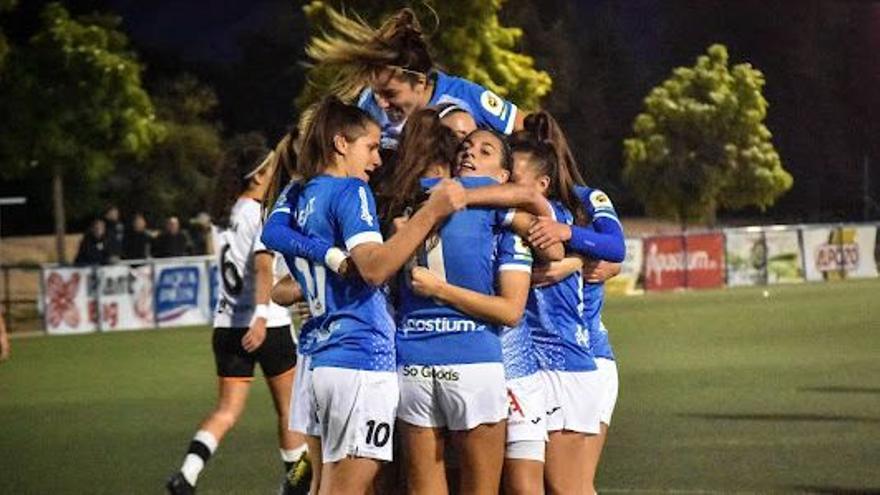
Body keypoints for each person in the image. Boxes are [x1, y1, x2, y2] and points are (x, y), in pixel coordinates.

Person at [281, 96, 464, 494]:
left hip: (320, 360)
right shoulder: (350, 191)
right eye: (370, 148)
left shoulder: (300, 195)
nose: (378, 161)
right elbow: (373, 267)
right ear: (340, 143)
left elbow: (285, 258)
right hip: (359, 358)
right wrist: (428, 214)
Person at [166, 139, 303, 495]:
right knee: (289, 409)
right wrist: (259, 316)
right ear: (258, 175)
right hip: (266, 324)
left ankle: (187, 474)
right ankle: (294, 483)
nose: (275, 171)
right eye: (270, 167)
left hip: (227, 325)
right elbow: (262, 268)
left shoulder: (222, 218)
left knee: (226, 411)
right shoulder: (259, 213)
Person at [521, 112, 625, 494]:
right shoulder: (514, 211)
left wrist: (571, 245)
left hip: (586, 358)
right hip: (539, 361)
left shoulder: (584, 201)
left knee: (571, 485)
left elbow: (616, 248)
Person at [306, 7, 526, 152]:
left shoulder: (466, 96)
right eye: (376, 92)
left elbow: (528, 127)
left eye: (390, 94)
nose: (381, 102)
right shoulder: (367, 104)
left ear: (420, 82)